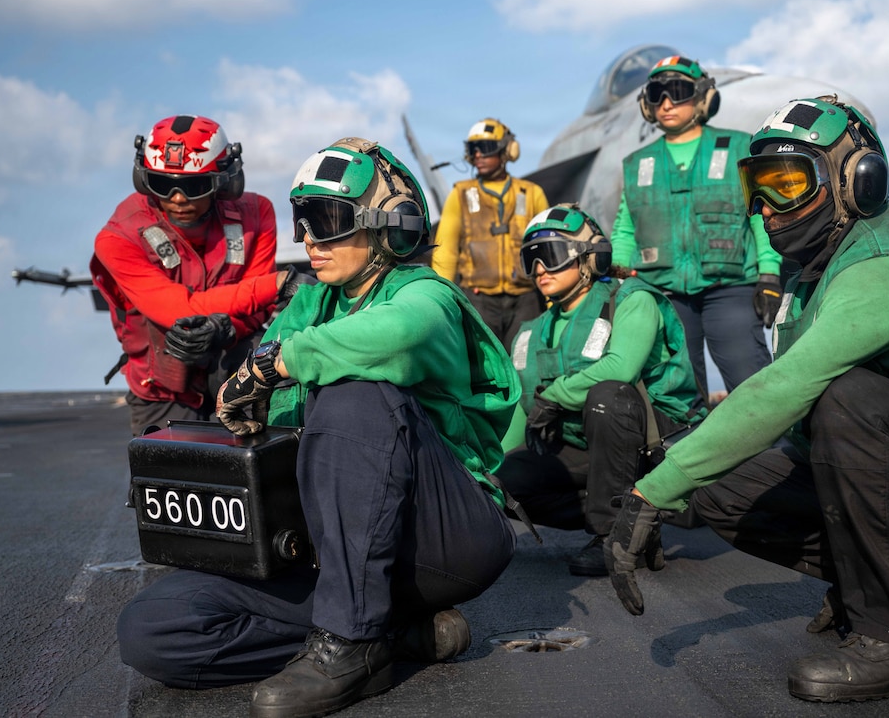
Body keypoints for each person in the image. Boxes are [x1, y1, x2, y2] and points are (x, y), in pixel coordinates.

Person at [603, 96, 889, 703]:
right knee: (724, 484)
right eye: (757, 187)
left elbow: (785, 387)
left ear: (857, 180)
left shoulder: (881, 266)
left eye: (789, 182)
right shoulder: (812, 276)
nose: (766, 207)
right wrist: (681, 477)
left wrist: (649, 493)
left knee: (846, 398)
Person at [116, 137, 519, 717]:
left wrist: (273, 364)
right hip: (334, 549)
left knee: (355, 393)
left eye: (327, 221)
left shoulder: (424, 294)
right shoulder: (312, 305)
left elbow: (395, 337)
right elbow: (275, 388)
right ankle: (394, 637)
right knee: (153, 629)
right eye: (303, 220)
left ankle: (349, 642)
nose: (308, 239)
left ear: (390, 225)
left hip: (440, 537)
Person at [495, 204, 706, 577]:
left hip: (656, 445)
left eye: (551, 255)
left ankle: (615, 533)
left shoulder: (631, 300)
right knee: (507, 483)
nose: (540, 269)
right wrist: (488, 480)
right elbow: (519, 410)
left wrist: (555, 396)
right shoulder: (529, 331)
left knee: (608, 395)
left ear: (590, 258)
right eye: (531, 259)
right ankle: (640, 513)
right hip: (593, 450)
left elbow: (621, 368)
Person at [90, 114, 305, 436]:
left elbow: (258, 310)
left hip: (235, 372)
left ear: (223, 180)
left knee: (264, 473)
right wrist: (275, 284)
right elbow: (181, 307)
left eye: (194, 186)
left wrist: (224, 329)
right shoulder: (118, 237)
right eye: (163, 185)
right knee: (166, 479)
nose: (178, 199)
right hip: (163, 389)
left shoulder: (256, 214)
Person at [611, 55, 782, 397]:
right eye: (657, 93)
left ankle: (774, 449)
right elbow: (625, 229)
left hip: (730, 286)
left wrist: (770, 274)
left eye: (678, 91)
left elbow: (760, 215)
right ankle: (684, 449)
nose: (667, 102)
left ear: (703, 97)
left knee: (751, 379)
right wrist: (616, 281)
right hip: (664, 292)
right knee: (677, 389)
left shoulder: (737, 147)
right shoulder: (638, 164)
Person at [431, 118, 549, 351]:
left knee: (527, 364)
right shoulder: (461, 195)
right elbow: (446, 250)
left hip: (525, 301)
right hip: (478, 301)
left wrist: (552, 301)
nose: (477, 156)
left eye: (484, 149)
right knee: (484, 369)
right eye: (472, 150)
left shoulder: (532, 193)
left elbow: (547, 248)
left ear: (507, 151)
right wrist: (440, 301)